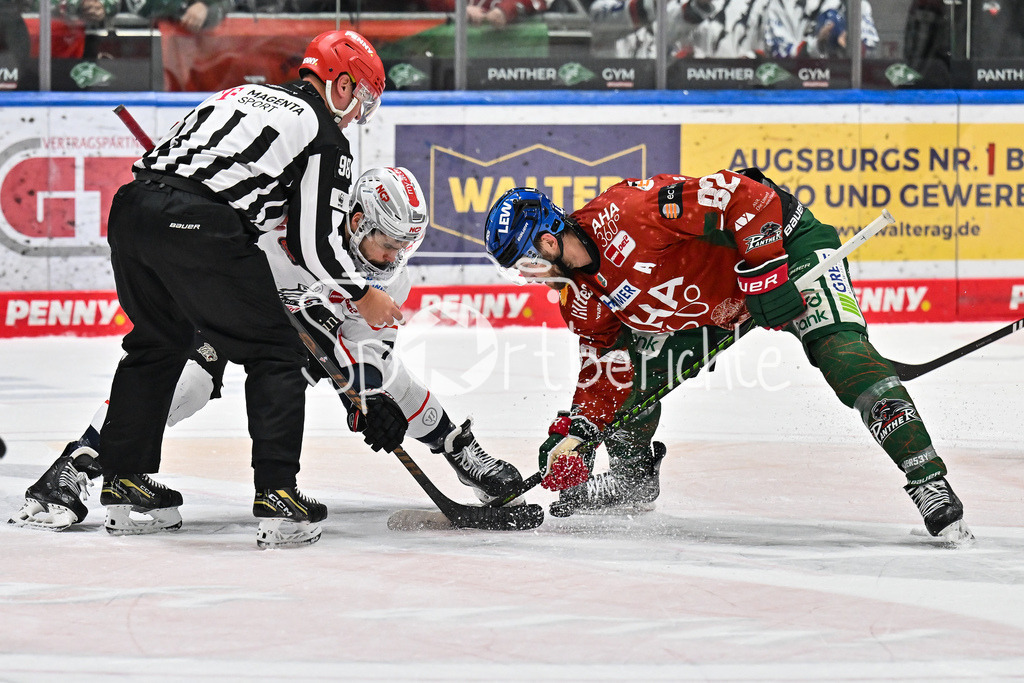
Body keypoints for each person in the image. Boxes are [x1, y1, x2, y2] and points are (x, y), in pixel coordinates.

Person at [9, 167, 525, 541]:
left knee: (392, 380)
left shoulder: (392, 279)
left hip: (298, 345)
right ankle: (77, 464)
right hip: (229, 313)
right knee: (186, 383)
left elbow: (367, 349)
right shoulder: (294, 228)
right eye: (387, 243)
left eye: (402, 248)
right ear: (358, 221)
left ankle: (460, 451)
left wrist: (366, 398)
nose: (394, 259)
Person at [484, 168, 974, 544]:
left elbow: (749, 195)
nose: (528, 277)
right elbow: (605, 368)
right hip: (713, 307)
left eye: (525, 262)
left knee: (845, 361)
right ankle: (634, 480)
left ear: (548, 240)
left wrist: (764, 273)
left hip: (785, 252)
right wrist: (579, 434)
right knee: (633, 372)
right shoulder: (580, 297)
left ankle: (928, 481)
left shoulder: (632, 213)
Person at [79, 30, 397, 549]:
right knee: (275, 350)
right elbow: (315, 244)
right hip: (199, 225)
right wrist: (363, 293)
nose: (355, 114)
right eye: (359, 97)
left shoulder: (233, 95)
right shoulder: (324, 134)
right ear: (338, 83)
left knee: (157, 343)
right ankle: (278, 492)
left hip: (132, 210)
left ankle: (123, 481)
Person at [763, 0, 879, 59]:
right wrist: (815, 47)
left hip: (846, 91)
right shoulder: (780, 4)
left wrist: (851, 45)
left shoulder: (857, 5)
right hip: (798, 94)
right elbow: (778, 53)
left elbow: (871, 47)